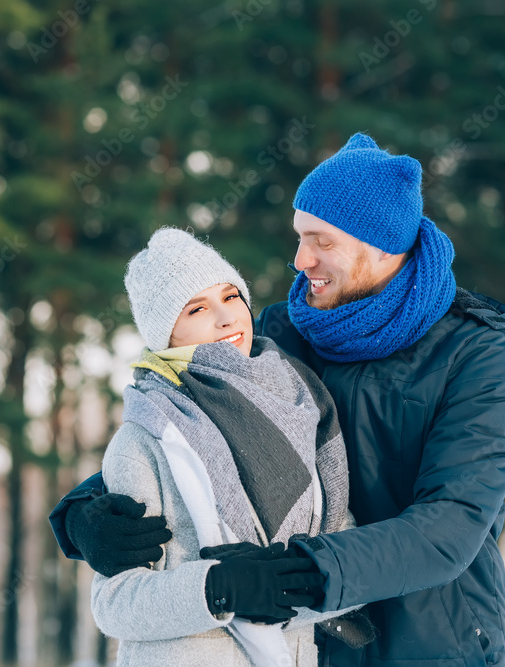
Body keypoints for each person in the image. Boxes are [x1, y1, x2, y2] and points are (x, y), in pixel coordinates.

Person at [51, 133, 505, 666]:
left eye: (322, 241)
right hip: (303, 644)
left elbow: (449, 526)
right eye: (299, 237)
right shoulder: (284, 334)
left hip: (433, 642)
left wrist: (296, 572)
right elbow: (190, 436)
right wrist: (82, 513)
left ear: (382, 243)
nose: (300, 259)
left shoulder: (475, 356)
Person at [86, 227, 374, 666]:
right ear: (167, 335)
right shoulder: (147, 436)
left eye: (231, 297)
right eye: (197, 309)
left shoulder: (302, 404)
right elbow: (114, 603)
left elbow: (342, 548)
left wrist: (302, 584)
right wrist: (220, 588)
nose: (227, 319)